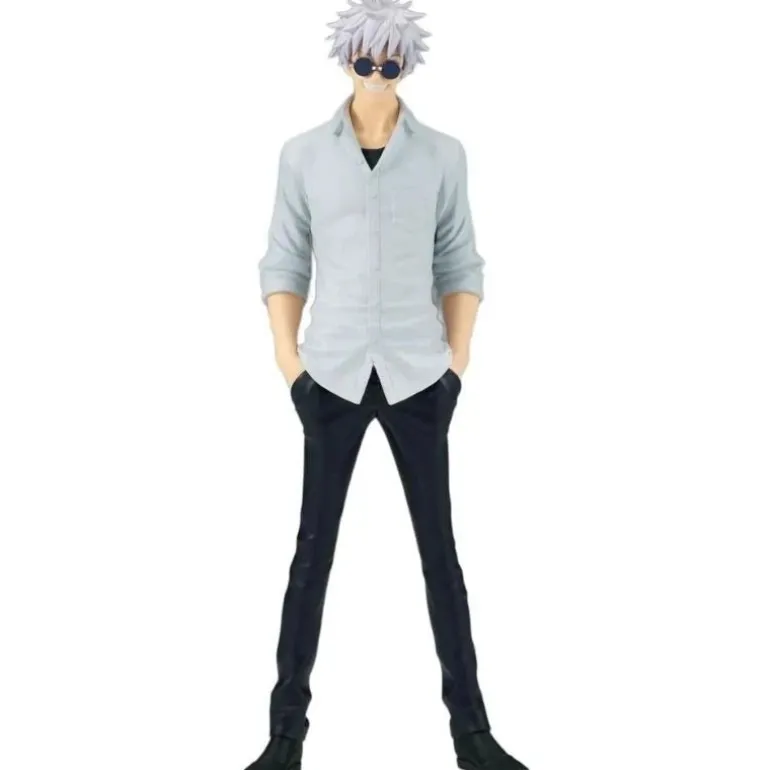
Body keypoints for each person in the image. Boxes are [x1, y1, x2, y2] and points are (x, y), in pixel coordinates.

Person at [246, 2, 528, 768]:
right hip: (331, 375)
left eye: (390, 61)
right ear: (346, 60)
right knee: (311, 556)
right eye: (364, 60)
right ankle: (284, 737)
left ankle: (472, 734)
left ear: (408, 64)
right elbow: (284, 258)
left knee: (441, 555)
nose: (376, 73)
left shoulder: (442, 155)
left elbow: (459, 258)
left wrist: (456, 364)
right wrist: (290, 364)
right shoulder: (304, 155)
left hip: (417, 374)